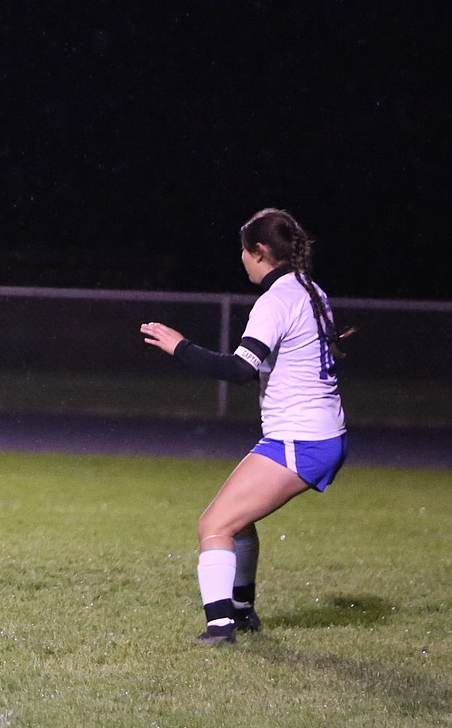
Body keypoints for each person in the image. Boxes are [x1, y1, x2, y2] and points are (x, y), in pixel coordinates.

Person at [140, 208, 350, 644]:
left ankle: (220, 628)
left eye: (243, 250)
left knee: (213, 526)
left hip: (301, 439)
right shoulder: (311, 291)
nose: (241, 258)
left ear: (258, 251)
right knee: (239, 521)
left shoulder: (275, 301)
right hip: (318, 433)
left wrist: (181, 347)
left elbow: (240, 370)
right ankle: (242, 610)